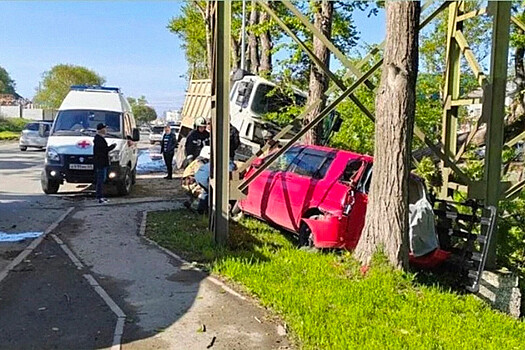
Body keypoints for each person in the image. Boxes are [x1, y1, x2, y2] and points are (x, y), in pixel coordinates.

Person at [93, 123, 116, 204]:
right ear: (101, 129)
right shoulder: (98, 139)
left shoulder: (100, 138)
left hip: (103, 162)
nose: (106, 130)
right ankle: (99, 196)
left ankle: (101, 195)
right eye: (104, 128)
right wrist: (112, 147)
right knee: (100, 180)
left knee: (103, 179)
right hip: (101, 163)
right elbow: (102, 151)